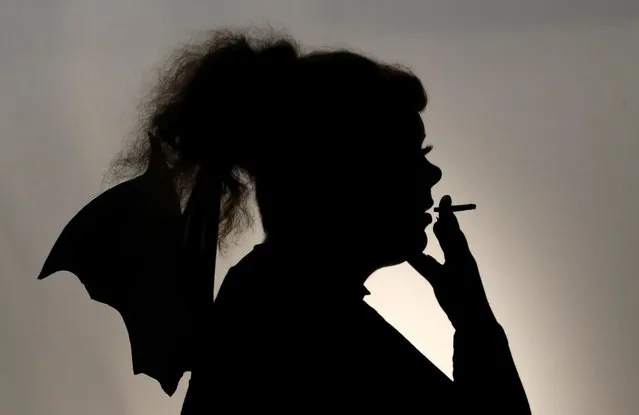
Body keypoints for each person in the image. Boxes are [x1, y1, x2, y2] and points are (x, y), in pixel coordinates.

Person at [111, 27, 531, 414]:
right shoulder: (310, 328)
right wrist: (476, 322)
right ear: (341, 171)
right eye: (410, 154)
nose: (433, 174)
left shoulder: (275, 297)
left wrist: (472, 316)